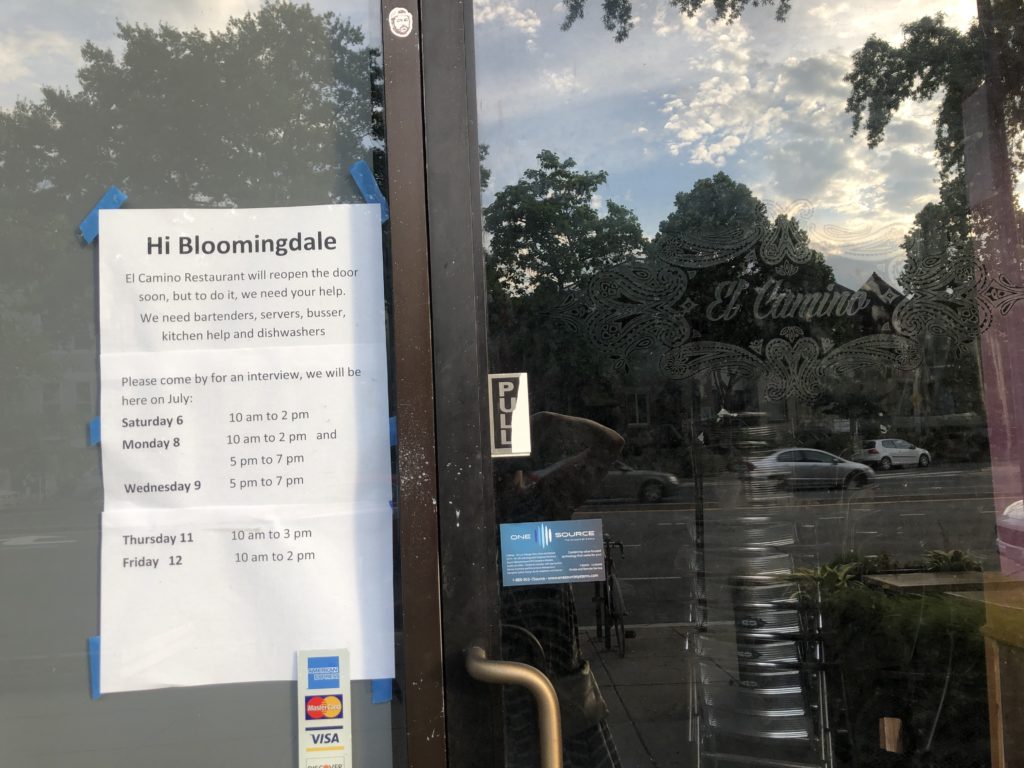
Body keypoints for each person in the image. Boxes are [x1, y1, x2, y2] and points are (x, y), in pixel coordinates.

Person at [496, 411, 625, 768]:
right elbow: (610, 444)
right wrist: (545, 422)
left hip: (545, 681)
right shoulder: (533, 504)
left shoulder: (534, 504)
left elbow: (610, 444)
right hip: (532, 681)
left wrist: (543, 422)